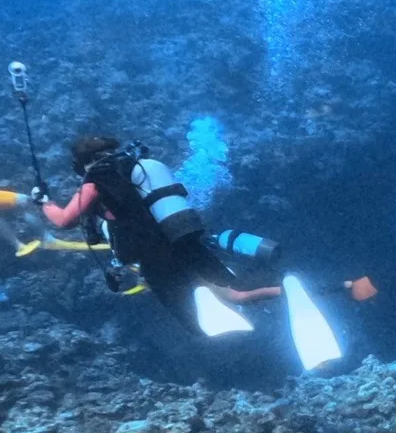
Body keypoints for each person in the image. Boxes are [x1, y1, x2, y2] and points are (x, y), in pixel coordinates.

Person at [42, 135, 362, 369]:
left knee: (195, 321)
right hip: (184, 238)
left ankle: (222, 329)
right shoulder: (139, 167)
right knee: (235, 294)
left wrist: (41, 201)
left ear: (80, 163)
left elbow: (65, 220)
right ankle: (329, 287)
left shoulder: (97, 178)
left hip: (155, 254)